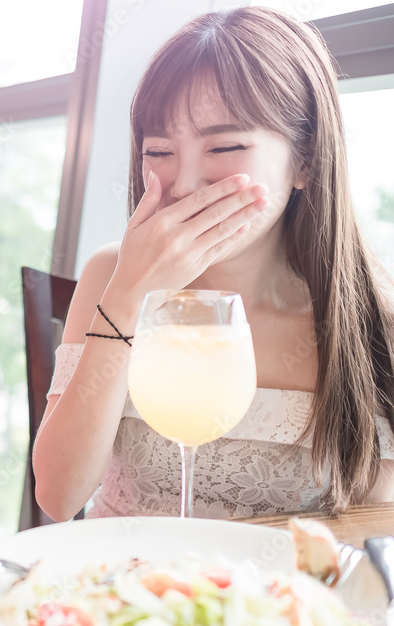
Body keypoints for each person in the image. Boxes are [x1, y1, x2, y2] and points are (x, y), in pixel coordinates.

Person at [33, 6, 394, 521]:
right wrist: (130, 294)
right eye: (159, 151)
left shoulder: (374, 326)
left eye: (224, 145)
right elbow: (58, 495)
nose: (184, 184)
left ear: (307, 160)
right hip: (118, 590)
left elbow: (374, 539)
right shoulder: (110, 276)